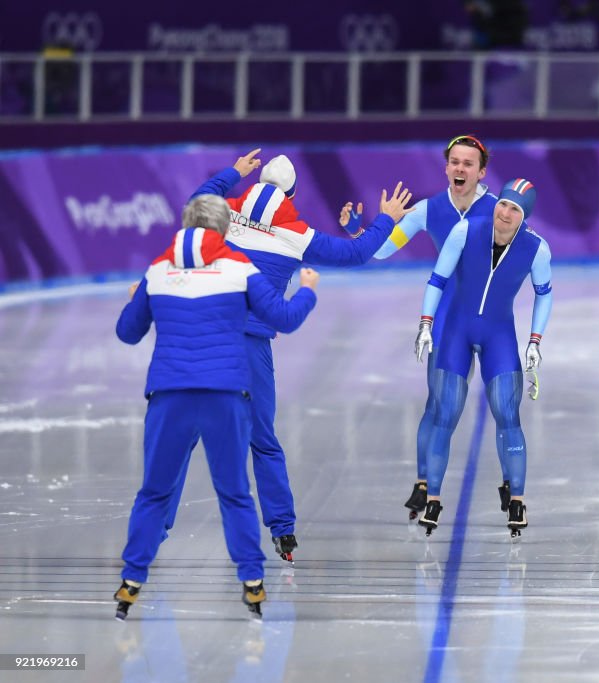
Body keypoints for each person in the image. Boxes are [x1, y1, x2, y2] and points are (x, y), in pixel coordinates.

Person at [175, 150, 414, 562]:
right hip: (249, 347)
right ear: (292, 194)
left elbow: (194, 200)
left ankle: (155, 527)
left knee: (180, 439)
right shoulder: (296, 233)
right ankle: (283, 531)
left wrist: (234, 172)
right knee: (262, 441)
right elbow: (356, 255)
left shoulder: (225, 212)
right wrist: (386, 217)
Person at [113, 195, 320, 620]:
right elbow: (283, 317)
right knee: (235, 494)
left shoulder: (157, 270)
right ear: (225, 229)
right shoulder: (239, 268)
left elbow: (127, 333)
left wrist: (135, 299)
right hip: (224, 395)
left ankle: (133, 578)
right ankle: (252, 580)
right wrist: (308, 293)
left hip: (169, 397)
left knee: (154, 492)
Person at [339, 135, 501, 520]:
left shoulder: (500, 210)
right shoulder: (428, 210)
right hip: (448, 320)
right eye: (455, 162)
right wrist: (359, 229)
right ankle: (424, 484)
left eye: (468, 163)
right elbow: (380, 250)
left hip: (490, 320)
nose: (460, 168)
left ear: (481, 172)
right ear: (446, 168)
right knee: (440, 403)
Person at [413, 178, 552, 539]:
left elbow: (545, 294)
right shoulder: (465, 230)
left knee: (507, 414)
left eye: (514, 209)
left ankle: (517, 497)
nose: (504, 214)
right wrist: (426, 323)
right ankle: (433, 496)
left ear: (524, 217)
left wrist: (535, 341)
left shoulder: (536, 249)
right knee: (445, 413)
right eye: (502, 204)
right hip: (456, 332)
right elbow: (437, 278)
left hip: (499, 337)